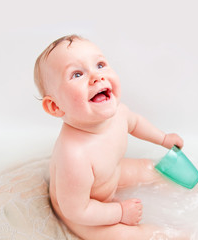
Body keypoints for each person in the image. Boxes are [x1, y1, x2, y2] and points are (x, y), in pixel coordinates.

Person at [34, 34, 187, 240]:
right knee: (128, 237)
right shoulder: (74, 155)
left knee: (150, 168)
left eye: (100, 64)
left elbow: (136, 124)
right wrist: (120, 212)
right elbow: (77, 211)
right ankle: (178, 235)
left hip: (109, 178)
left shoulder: (118, 113)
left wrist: (163, 139)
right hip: (84, 213)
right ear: (55, 106)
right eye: (77, 74)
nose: (97, 77)